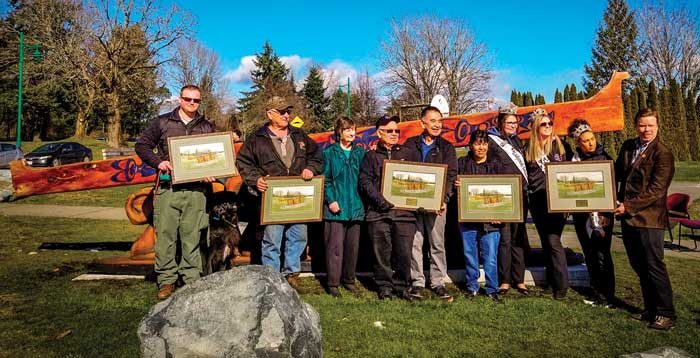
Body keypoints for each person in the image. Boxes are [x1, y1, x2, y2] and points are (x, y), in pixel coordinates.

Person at [135, 84, 216, 300]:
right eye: (188, 99)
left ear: (200, 102)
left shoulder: (207, 127)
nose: (192, 103)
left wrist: (212, 173)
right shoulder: (162, 122)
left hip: (197, 191)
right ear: (180, 99)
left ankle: (191, 279)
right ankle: (167, 280)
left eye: (196, 100)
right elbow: (142, 146)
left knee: (192, 236)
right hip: (168, 188)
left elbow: (215, 156)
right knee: (166, 237)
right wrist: (158, 162)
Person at [236, 96, 323, 289]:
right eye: (281, 112)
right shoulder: (256, 139)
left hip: (299, 199)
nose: (286, 115)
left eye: (288, 112)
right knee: (272, 239)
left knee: (298, 236)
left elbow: (317, 156)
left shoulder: (299, 136)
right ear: (270, 114)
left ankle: (291, 273)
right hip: (271, 200)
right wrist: (255, 179)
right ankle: (272, 277)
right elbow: (243, 162)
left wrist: (311, 168)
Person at [614, 108, 676, 330]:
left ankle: (666, 314)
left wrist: (627, 206)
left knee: (654, 266)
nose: (646, 129)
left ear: (657, 126)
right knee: (639, 266)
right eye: (642, 125)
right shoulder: (629, 146)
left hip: (649, 220)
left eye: (650, 125)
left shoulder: (663, 153)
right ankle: (650, 309)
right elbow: (615, 173)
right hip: (630, 220)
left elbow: (656, 191)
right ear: (636, 126)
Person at [359, 115, 417, 300]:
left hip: (404, 214)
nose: (394, 134)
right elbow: (364, 181)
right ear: (379, 133)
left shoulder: (408, 154)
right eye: (389, 131)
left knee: (404, 253)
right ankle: (384, 287)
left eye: (396, 131)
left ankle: (402, 287)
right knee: (381, 253)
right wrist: (381, 201)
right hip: (378, 213)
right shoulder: (370, 156)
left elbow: (419, 179)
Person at [403, 106, 457, 301]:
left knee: (437, 244)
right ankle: (417, 281)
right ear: (422, 123)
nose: (437, 125)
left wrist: (444, 199)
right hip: (414, 204)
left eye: (439, 121)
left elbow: (451, 176)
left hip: (438, 204)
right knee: (415, 243)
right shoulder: (409, 145)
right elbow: (401, 169)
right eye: (432, 121)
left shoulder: (447, 147)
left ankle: (437, 282)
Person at [567, 119, 616, 306]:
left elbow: (613, 187)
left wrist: (606, 211)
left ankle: (608, 295)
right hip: (581, 215)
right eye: (586, 140)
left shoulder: (605, 158)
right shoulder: (573, 159)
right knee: (589, 253)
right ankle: (596, 291)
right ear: (578, 142)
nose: (591, 143)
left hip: (601, 215)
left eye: (592, 139)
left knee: (602, 253)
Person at [525, 108, 571, 300]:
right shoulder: (528, 149)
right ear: (536, 127)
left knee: (553, 241)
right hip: (537, 201)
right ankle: (552, 279)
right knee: (546, 241)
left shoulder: (560, 147)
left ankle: (561, 285)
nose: (547, 127)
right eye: (543, 124)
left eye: (549, 123)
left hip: (557, 201)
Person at [487, 105, 531, 295]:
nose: (512, 125)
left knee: (519, 238)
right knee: (504, 239)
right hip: (503, 195)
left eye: (515, 122)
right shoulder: (491, 140)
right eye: (509, 122)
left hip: (521, 195)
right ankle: (505, 280)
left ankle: (519, 279)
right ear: (500, 123)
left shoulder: (519, 142)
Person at [455, 130, 503, 301]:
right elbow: (451, 185)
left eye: (484, 143)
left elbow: (506, 193)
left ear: (488, 145)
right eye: (477, 143)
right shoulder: (462, 163)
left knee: (490, 257)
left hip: (491, 222)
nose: (481, 147)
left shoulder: (497, 165)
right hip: (468, 220)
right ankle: (472, 287)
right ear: (471, 145)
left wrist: (501, 214)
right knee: (470, 255)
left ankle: (492, 289)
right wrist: (456, 184)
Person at [322, 117, 365, 297]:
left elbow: (364, 178)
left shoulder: (359, 153)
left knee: (352, 248)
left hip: (355, 207)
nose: (352, 133)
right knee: (335, 248)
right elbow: (325, 179)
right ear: (339, 132)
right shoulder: (329, 153)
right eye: (348, 130)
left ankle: (349, 280)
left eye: (353, 129)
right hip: (335, 209)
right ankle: (333, 283)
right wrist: (331, 200)